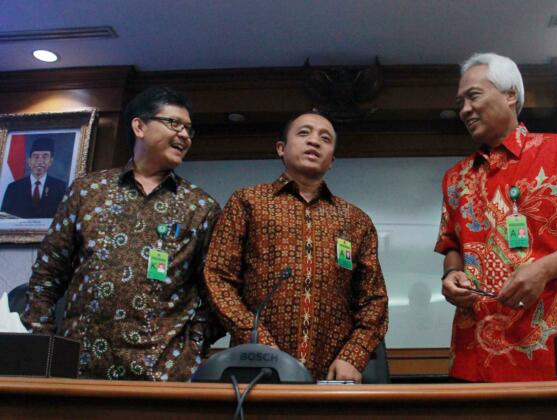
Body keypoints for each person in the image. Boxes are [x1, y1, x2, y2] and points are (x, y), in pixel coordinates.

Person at [436, 53, 557, 382]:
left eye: (473, 96)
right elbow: (451, 245)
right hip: (473, 356)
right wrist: (451, 276)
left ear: (510, 95)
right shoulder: (455, 177)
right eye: (460, 102)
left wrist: (542, 270)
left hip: (548, 350)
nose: (464, 109)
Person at [22, 87, 222, 381]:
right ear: (139, 126)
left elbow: (217, 294)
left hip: (162, 377)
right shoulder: (87, 191)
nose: (184, 135)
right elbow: (45, 278)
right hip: (79, 371)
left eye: (189, 129)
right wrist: (44, 346)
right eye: (173, 123)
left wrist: (191, 349)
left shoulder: (201, 207)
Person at [204, 111, 388, 382]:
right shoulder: (248, 203)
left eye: (325, 138)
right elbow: (218, 277)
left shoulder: (355, 220)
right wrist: (256, 340)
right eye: (304, 133)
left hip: (333, 374)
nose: (314, 141)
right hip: (257, 368)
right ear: (281, 148)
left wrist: (353, 356)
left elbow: (374, 300)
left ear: (332, 160)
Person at [1, 137, 68, 219]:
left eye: (45, 157)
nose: (40, 161)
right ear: (29, 161)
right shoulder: (13, 188)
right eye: (36, 157)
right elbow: (4, 217)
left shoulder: (60, 187)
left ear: (51, 161)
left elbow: (64, 217)